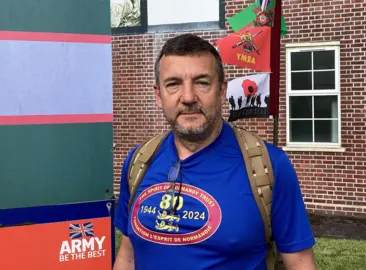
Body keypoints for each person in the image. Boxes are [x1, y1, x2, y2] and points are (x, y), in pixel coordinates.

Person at [113, 33, 317, 270]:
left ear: (222, 91)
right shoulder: (139, 162)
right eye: (173, 84)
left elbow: (301, 263)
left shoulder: (269, 166)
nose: (188, 97)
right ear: (158, 96)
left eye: (202, 82)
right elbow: (128, 257)